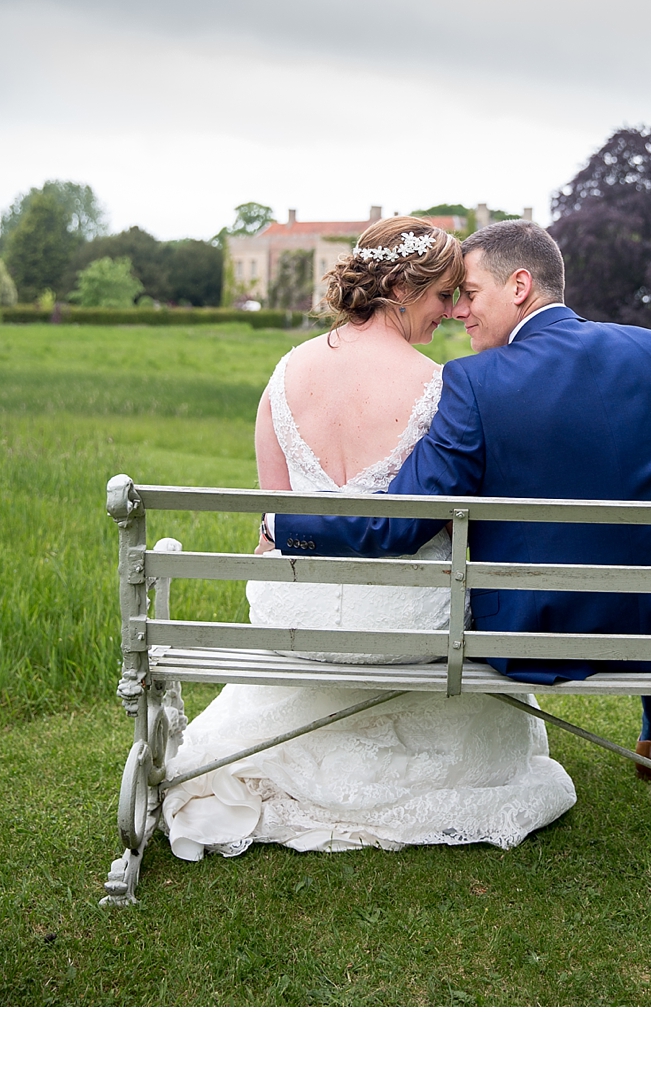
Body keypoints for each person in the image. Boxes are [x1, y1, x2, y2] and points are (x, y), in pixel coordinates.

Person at [162, 218, 576, 860]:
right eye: (444, 296)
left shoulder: (286, 372)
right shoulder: (442, 385)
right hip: (407, 622)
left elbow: (272, 518)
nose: (452, 311)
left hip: (295, 614)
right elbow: (449, 519)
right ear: (401, 291)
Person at [273, 219, 651, 782]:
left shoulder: (472, 382)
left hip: (533, 632)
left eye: (468, 294)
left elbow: (403, 521)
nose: (459, 312)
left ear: (518, 287)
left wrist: (288, 523)